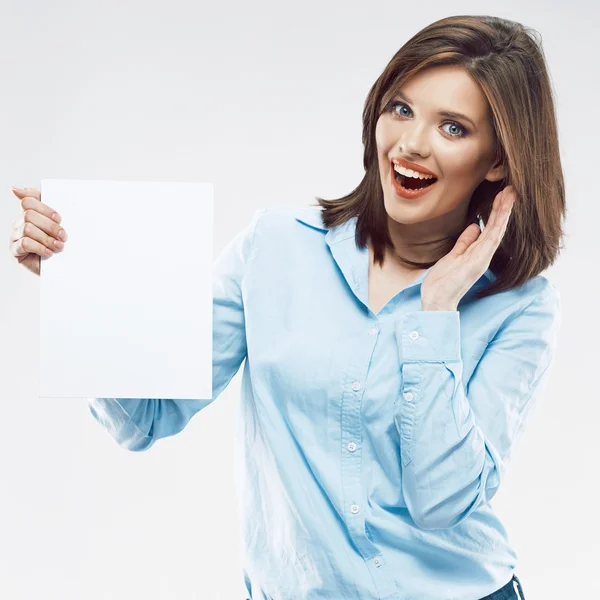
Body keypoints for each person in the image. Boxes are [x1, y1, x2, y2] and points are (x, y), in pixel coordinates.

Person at [9, 14, 564, 600]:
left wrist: (436, 316)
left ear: (498, 159)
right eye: (401, 109)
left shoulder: (521, 308)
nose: (410, 144)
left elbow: (442, 503)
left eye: (452, 127)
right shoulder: (274, 248)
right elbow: (144, 417)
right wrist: (81, 285)